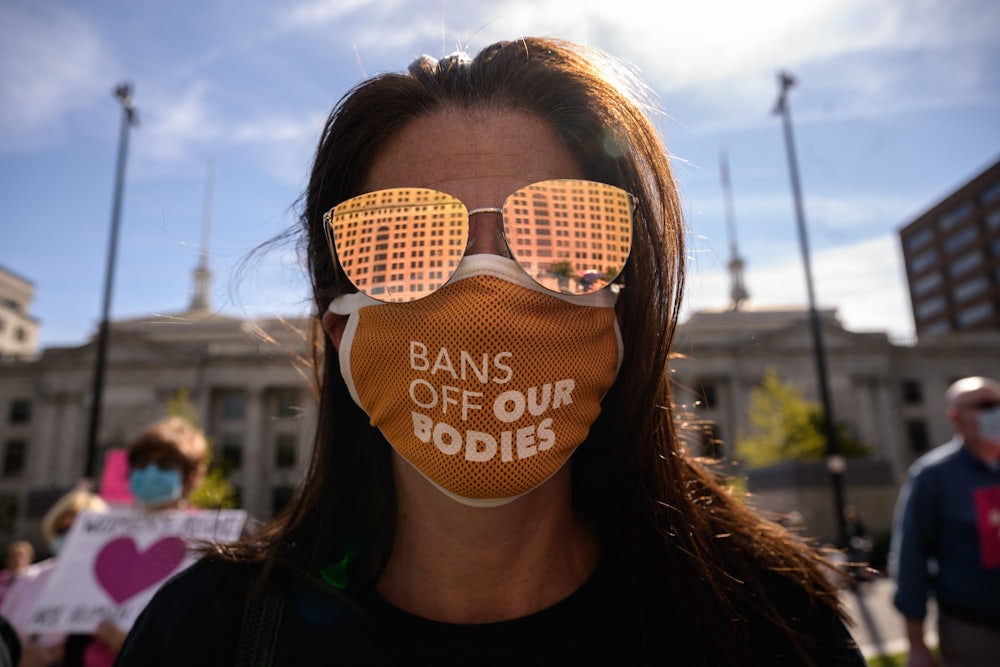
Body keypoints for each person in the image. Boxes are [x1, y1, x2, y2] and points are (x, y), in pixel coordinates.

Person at [116, 37, 864, 665]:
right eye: (401, 244)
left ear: (623, 311)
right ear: (339, 325)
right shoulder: (206, 632)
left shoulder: (772, 627)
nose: (485, 285)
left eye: (565, 234)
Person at [65, 417, 209, 667]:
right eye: (141, 463)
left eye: (165, 464)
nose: (150, 472)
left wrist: (134, 646)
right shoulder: (100, 535)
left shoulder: (212, 539)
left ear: (192, 476)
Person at [891, 376, 1000, 667]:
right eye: (985, 405)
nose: (996, 412)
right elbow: (911, 559)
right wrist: (916, 643)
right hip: (973, 633)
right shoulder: (933, 476)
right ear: (956, 417)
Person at [0, 488, 108, 667]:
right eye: (62, 529)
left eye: (78, 528)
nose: (69, 536)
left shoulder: (110, 586)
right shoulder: (28, 579)